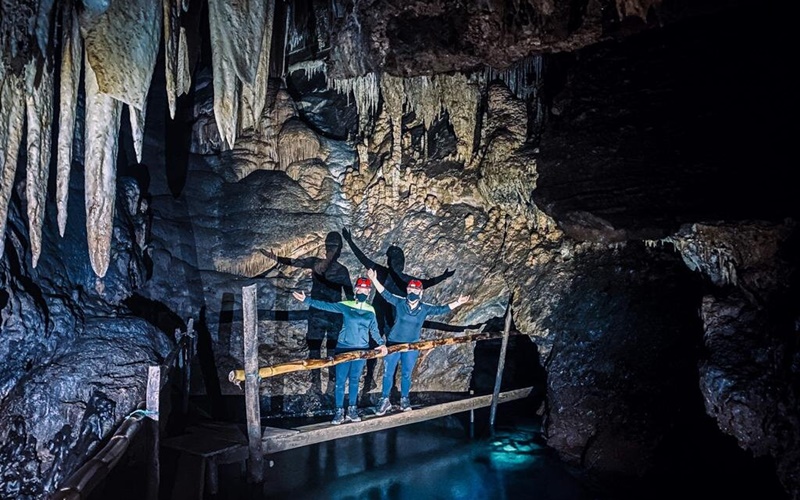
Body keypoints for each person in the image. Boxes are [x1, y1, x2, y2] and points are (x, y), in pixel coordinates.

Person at [367, 268, 470, 414]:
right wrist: (373, 279)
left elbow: (441, 310)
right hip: (393, 343)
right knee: (388, 373)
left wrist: (458, 303)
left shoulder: (424, 308)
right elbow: (386, 294)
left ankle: (404, 400)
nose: (413, 294)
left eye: (416, 291)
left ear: (420, 293)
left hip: (412, 346)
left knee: (406, 374)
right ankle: (384, 400)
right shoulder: (400, 302)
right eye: (410, 291)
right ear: (407, 291)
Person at [261, 232, 353, 394]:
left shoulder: (335, 269)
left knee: (330, 350)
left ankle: (329, 386)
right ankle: (317, 385)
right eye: (329, 246)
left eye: (333, 247)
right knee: (317, 349)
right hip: (321, 314)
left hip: (330, 315)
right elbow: (294, 262)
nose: (330, 250)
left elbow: (350, 297)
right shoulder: (327, 266)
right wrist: (276, 258)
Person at [292, 276, 388, 425]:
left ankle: (352, 409)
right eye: (360, 289)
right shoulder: (345, 305)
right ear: (356, 290)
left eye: (366, 290)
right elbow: (326, 306)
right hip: (344, 348)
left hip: (362, 350)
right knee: (340, 381)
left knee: (355, 380)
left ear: (369, 292)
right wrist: (307, 301)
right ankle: (338, 411)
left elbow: (374, 330)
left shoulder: (370, 310)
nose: (363, 291)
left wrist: (381, 344)